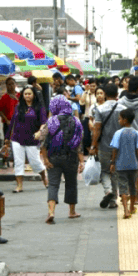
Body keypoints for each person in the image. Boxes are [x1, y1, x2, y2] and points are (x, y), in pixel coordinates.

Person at [40, 96, 84, 224]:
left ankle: (51, 212)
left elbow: (43, 142)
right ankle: (72, 212)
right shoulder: (76, 122)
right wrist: (81, 161)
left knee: (53, 184)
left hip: (54, 157)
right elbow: (79, 144)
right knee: (71, 184)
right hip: (71, 158)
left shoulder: (51, 122)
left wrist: (45, 159)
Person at [6, 85, 48, 192]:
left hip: (32, 139)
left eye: (29, 94)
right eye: (25, 94)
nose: (27, 96)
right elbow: (12, 123)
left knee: (35, 162)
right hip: (17, 138)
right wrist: (7, 137)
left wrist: (40, 132)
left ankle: (44, 178)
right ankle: (19, 185)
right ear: (23, 96)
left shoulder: (39, 108)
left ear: (34, 95)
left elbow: (44, 123)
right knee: (18, 162)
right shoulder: (18, 107)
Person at [90, 83, 124, 210]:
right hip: (119, 146)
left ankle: (108, 191)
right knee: (114, 171)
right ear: (117, 94)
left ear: (105, 94)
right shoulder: (123, 108)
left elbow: (97, 129)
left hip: (104, 145)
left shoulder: (100, 109)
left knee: (104, 171)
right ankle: (114, 200)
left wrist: (93, 145)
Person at [110, 108, 138, 220]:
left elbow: (115, 149)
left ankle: (125, 210)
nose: (119, 120)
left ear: (124, 120)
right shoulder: (136, 133)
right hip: (133, 164)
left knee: (123, 187)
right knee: (132, 186)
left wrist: (113, 162)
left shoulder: (118, 133)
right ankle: (132, 207)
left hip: (120, 164)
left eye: (120, 118)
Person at [80, 80, 98, 154]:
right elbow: (81, 102)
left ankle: (95, 150)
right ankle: (88, 150)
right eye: (91, 86)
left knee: (95, 135)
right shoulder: (87, 93)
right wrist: (85, 91)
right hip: (87, 116)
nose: (92, 87)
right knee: (86, 136)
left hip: (96, 118)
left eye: (94, 86)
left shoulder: (98, 94)